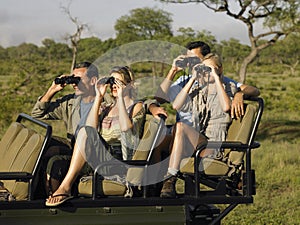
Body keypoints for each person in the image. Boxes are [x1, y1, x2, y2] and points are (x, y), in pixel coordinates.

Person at [45, 66, 145, 206]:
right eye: (112, 82)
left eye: (118, 82)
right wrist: (99, 96)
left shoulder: (136, 106)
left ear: (129, 85)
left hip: (119, 161)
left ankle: (65, 188)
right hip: (100, 157)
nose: (114, 86)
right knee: (56, 162)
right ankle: (58, 204)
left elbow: (125, 129)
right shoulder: (107, 106)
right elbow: (90, 127)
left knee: (85, 132)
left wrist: (121, 99)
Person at [160, 53, 240, 198]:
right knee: (165, 133)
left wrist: (216, 77)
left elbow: (226, 107)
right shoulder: (198, 87)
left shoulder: (228, 86)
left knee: (181, 127)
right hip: (199, 142)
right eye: (205, 69)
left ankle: (169, 179)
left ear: (220, 69)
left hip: (214, 145)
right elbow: (177, 105)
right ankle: (148, 183)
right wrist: (193, 78)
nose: (206, 72)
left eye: (210, 68)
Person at [31, 61, 99, 196]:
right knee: (39, 142)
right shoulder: (69, 102)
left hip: (92, 152)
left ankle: (58, 195)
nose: (74, 83)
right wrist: (52, 90)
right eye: (72, 79)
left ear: (93, 81)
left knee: (55, 163)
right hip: (73, 146)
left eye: (78, 79)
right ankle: (22, 187)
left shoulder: (105, 101)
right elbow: (38, 113)